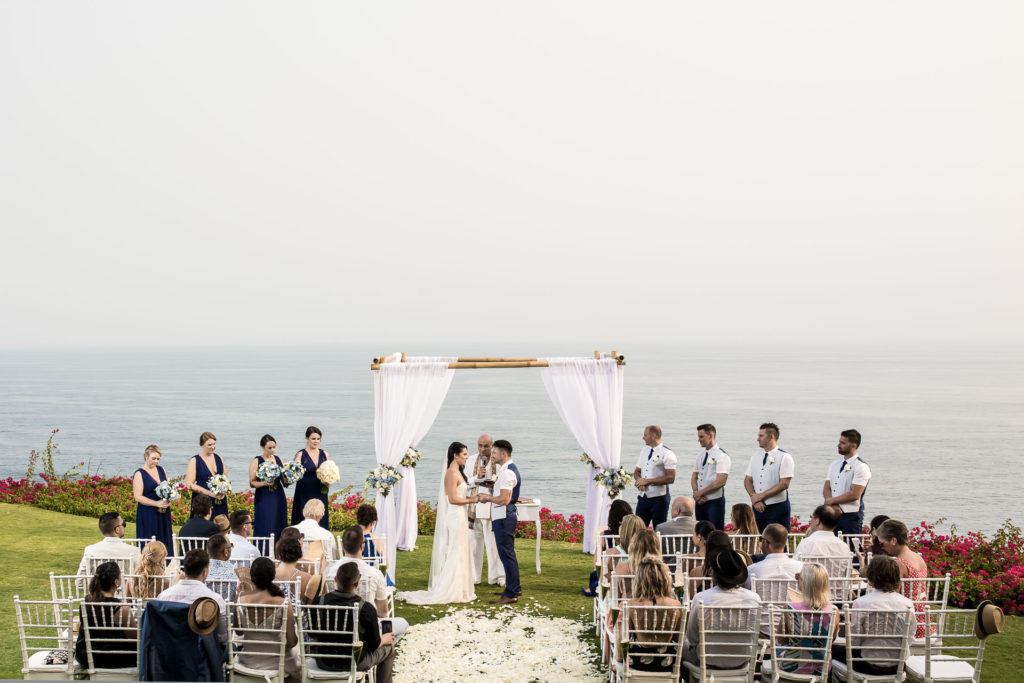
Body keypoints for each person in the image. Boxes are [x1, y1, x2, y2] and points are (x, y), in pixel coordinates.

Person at [396, 441, 478, 605]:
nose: (467, 457)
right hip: (455, 516)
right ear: (455, 455)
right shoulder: (451, 473)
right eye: (464, 454)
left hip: (460, 515)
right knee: (455, 550)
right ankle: (451, 588)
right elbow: (453, 499)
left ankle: (461, 588)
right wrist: (471, 499)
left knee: (461, 550)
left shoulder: (459, 472)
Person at [312, 562, 396, 683]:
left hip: (323, 660)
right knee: (389, 648)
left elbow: (312, 633)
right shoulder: (366, 608)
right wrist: (384, 639)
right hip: (354, 663)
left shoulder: (319, 601)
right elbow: (373, 645)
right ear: (357, 584)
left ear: (335, 579)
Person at [831, 556, 913, 676]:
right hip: (897, 666)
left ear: (871, 578)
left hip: (866, 664)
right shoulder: (907, 604)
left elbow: (855, 641)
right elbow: (910, 636)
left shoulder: (861, 603)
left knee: (830, 649)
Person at [682, 549, 762, 668]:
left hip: (707, 661)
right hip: (741, 661)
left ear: (714, 573)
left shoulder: (701, 598)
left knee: (680, 649)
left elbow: (692, 638)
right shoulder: (754, 599)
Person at [330, 527, 410, 637]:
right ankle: (379, 649)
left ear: (343, 546)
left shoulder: (329, 571)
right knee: (403, 623)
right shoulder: (374, 573)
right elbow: (383, 612)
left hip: (336, 627)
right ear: (362, 546)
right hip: (367, 631)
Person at [614, 557, 684, 674]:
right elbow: (679, 639)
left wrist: (619, 659)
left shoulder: (631, 605)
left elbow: (623, 638)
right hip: (667, 663)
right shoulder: (676, 605)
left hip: (637, 664)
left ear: (639, 579)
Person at [235, 557, 299, 677]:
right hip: (277, 665)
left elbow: (238, 632)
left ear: (252, 577)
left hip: (247, 663)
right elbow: (292, 642)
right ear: (273, 576)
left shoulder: (240, 599)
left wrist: (238, 593)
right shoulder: (284, 602)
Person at [774, 563, 838, 676]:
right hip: (821, 669)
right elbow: (830, 640)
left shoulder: (790, 608)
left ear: (804, 583)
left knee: (778, 648)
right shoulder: (834, 610)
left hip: (792, 667)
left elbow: (782, 640)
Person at [478, 439, 521, 604]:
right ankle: (514, 587)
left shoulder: (507, 472)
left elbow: (504, 499)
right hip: (503, 515)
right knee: (508, 553)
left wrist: (486, 497)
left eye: (494, 452)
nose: (492, 455)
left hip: (503, 516)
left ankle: (511, 593)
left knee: (506, 554)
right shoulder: (508, 470)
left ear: (503, 454)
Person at [156, 549, 228, 643]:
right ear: (205, 572)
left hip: (170, 653)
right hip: (203, 655)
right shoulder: (215, 600)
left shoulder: (163, 598)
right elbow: (222, 637)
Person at [876, 519, 933, 639]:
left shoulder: (899, 563)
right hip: (923, 620)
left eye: (882, 543)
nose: (882, 548)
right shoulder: (918, 558)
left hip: (907, 623)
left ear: (893, 540)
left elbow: (892, 596)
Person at [74, 561, 137, 670]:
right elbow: (135, 638)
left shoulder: (85, 602)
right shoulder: (122, 609)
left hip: (86, 657)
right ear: (116, 582)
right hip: (114, 658)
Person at [466, 433, 504, 587]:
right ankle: (474, 577)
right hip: (474, 508)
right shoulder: (470, 461)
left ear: (492, 445)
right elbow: (464, 483)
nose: (482, 449)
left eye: (486, 446)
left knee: (493, 546)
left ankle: (496, 577)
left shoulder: (499, 463)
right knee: (474, 545)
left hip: (491, 508)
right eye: (480, 445)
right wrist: (476, 477)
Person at [744, 423, 795, 531]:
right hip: (758, 507)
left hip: (778, 506)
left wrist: (761, 496)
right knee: (761, 540)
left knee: (779, 540)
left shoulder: (784, 457)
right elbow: (748, 480)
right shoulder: (755, 456)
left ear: (771, 437)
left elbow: (784, 483)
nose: (758, 439)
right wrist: (755, 498)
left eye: (761, 436)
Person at [823, 429, 871, 537]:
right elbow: (827, 487)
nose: (838, 445)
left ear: (853, 445)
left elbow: (855, 494)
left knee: (851, 548)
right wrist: (833, 505)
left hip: (851, 515)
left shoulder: (861, 466)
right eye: (840, 441)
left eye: (843, 443)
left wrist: (831, 501)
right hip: (833, 512)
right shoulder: (834, 464)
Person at [585, 500, 633, 597]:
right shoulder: (635, 536)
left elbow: (596, 563)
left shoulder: (604, 536)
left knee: (595, 575)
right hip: (630, 573)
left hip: (608, 575)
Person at [633, 425, 677, 528]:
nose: (643, 437)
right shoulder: (644, 451)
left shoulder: (667, 453)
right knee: (638, 529)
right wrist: (639, 481)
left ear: (653, 435)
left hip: (659, 499)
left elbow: (671, 478)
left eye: (645, 435)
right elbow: (636, 471)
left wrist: (647, 481)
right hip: (643, 498)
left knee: (659, 529)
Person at [132, 444, 173, 554]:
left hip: (163, 512)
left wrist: (169, 498)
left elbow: (167, 487)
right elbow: (138, 496)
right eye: (153, 458)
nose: (156, 461)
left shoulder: (161, 470)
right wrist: (156, 503)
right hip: (148, 512)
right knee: (150, 538)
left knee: (165, 538)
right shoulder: (139, 473)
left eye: (158, 459)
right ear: (146, 456)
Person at [291, 426, 332, 529]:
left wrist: (328, 482)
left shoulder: (325, 454)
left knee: (320, 516)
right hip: (304, 492)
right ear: (307, 439)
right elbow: (293, 474)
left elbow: (329, 471)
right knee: (303, 516)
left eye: (318, 439)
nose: (316, 441)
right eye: (313, 439)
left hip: (320, 491)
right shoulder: (300, 455)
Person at [76, 512, 141, 576]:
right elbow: (141, 576)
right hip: (125, 586)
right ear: (117, 530)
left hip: (100, 587)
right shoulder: (133, 551)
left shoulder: (90, 550)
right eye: (123, 524)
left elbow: (80, 578)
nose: (124, 526)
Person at [691, 424, 730, 530]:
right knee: (701, 531)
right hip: (700, 501)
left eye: (701, 437)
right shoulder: (700, 455)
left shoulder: (722, 455)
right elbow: (694, 475)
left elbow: (720, 481)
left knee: (715, 531)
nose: (699, 440)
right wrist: (696, 493)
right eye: (698, 437)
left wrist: (701, 493)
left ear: (711, 435)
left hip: (714, 501)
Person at [249, 434, 287, 541]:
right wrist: (265, 483)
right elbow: (252, 483)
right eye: (269, 448)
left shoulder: (279, 459)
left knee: (279, 521)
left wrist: (291, 478)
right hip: (264, 496)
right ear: (262, 447)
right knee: (266, 522)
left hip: (278, 495)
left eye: (274, 447)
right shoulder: (257, 461)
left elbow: (284, 481)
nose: (272, 450)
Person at [186, 431, 229, 519]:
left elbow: (225, 478)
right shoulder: (195, 460)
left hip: (220, 500)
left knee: (221, 526)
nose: (213, 447)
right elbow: (189, 484)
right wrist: (210, 493)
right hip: (202, 502)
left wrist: (224, 491)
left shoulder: (219, 458)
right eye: (209, 445)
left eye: (214, 444)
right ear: (202, 445)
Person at [745, 523, 803, 588]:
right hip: (793, 598)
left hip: (761, 598)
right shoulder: (801, 568)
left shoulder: (752, 570)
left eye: (761, 539)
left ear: (766, 543)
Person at [275, 537, 313, 603]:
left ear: (279, 555)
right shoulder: (307, 577)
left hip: (276, 612)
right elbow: (310, 605)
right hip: (299, 613)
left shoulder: (270, 574)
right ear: (299, 555)